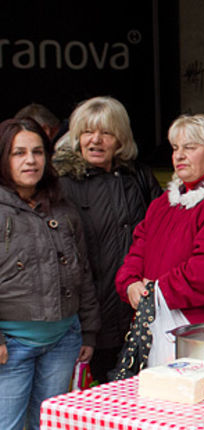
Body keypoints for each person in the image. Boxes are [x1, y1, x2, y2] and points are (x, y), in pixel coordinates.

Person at [115, 114, 204, 365]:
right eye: (175, 148)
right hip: (160, 327)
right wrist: (130, 284)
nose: (179, 156)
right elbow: (138, 250)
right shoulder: (163, 203)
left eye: (190, 148)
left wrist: (155, 291)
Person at [52, 96, 162, 383]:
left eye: (106, 133)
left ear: (121, 139)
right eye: (87, 132)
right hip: (89, 319)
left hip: (139, 312)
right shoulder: (61, 184)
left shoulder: (138, 177)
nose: (95, 140)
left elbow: (161, 234)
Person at [0, 118, 100, 430]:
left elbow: (82, 272)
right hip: (10, 347)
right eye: (18, 153)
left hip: (63, 341)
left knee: (50, 425)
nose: (30, 160)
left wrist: (89, 331)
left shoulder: (62, 207)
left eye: (37, 152)